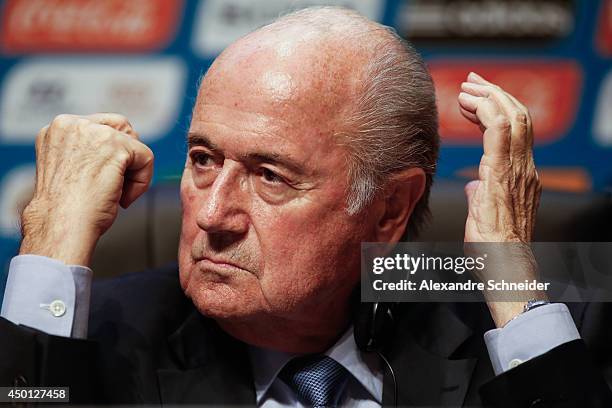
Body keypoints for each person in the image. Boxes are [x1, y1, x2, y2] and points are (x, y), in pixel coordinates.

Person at [1, 7, 610, 407]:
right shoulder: (93, 335)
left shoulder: (525, 327)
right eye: (203, 159)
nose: (212, 216)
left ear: (390, 209)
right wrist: (51, 239)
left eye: (270, 176)